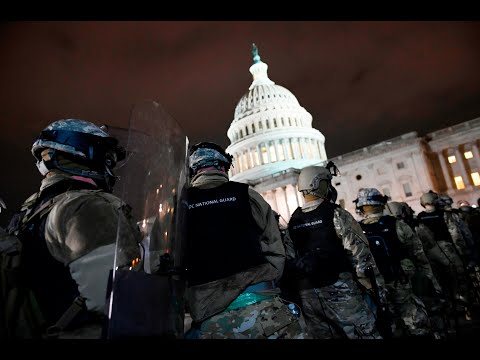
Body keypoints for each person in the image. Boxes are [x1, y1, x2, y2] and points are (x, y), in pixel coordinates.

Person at [2, 119, 142, 339]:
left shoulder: (28, 215)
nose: (110, 167)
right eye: (108, 159)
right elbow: (117, 299)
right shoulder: (85, 207)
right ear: (89, 155)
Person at [180, 141, 307, 339]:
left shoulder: (178, 206)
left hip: (208, 316)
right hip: (262, 308)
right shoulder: (248, 195)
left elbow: (162, 264)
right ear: (224, 167)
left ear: (193, 170)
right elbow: (275, 248)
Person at [282, 164, 383, 339]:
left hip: (309, 295)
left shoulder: (293, 220)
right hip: (340, 289)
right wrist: (371, 286)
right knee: (365, 333)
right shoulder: (336, 214)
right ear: (320, 184)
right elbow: (359, 254)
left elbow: (289, 258)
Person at [355, 188, 436, 338]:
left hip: (376, 290)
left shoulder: (356, 230)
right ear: (380, 203)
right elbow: (418, 253)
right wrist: (429, 278)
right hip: (401, 284)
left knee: (389, 328)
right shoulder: (396, 224)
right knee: (417, 325)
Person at [416, 191, 473, 325]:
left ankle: (448, 313)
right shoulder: (445, 215)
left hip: (430, 253)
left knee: (441, 282)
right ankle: (466, 309)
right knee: (459, 279)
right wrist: (463, 253)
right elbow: (456, 235)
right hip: (448, 250)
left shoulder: (419, 217)